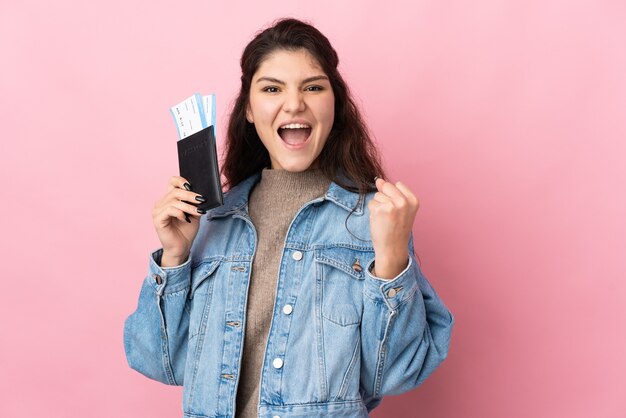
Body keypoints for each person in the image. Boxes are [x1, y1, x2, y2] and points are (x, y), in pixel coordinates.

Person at [124, 18, 453, 418]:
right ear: (248, 107)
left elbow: (397, 374)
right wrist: (175, 257)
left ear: (335, 103)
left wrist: (391, 261)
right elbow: (160, 363)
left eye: (313, 87)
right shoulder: (213, 221)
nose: (294, 104)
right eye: (272, 89)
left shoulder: (376, 220)